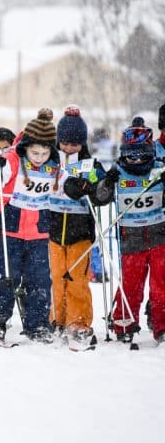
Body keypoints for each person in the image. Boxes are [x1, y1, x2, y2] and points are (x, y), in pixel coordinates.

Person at [0, 109, 60, 343]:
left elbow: (66, 183)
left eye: (45, 152)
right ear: (25, 147)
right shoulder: (12, 159)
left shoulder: (53, 165)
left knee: (39, 278)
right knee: (8, 276)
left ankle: (37, 324)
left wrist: (80, 186)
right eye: (34, 152)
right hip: (10, 227)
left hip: (38, 231)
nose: (39, 157)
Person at [94, 117, 165, 344]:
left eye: (140, 155)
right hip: (130, 238)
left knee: (160, 284)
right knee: (131, 284)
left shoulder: (159, 169)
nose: (135, 160)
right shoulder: (118, 171)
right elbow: (101, 198)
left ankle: (161, 325)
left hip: (158, 236)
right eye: (130, 155)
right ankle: (123, 322)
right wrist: (107, 182)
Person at [47, 106, 107, 347]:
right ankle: (57, 319)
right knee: (57, 277)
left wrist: (95, 187)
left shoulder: (90, 165)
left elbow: (101, 188)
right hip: (53, 229)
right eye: (65, 142)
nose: (69, 147)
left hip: (80, 231)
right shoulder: (50, 161)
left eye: (75, 143)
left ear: (83, 143)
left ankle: (79, 322)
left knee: (77, 280)